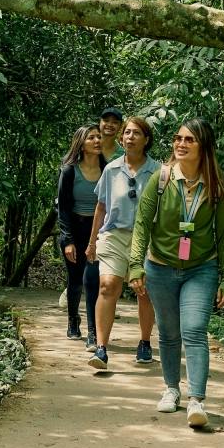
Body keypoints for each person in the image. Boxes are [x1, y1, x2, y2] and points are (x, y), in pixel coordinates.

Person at [130, 117, 224, 429]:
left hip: (200, 268)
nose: (180, 144)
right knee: (170, 332)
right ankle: (171, 389)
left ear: (203, 147)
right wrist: (135, 264)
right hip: (160, 266)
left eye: (189, 140)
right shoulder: (161, 178)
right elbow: (142, 223)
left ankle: (197, 400)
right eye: (178, 138)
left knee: (194, 330)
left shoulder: (215, 184)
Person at [86, 115, 158, 370]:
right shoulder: (112, 169)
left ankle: (145, 342)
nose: (129, 137)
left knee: (144, 290)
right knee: (107, 286)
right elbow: (101, 206)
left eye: (136, 133)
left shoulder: (159, 172)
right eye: (126, 133)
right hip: (114, 235)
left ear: (146, 139)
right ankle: (102, 348)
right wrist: (92, 241)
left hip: (147, 238)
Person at [55, 125, 106, 343]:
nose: (97, 140)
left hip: (99, 231)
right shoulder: (69, 171)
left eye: (99, 137)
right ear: (81, 144)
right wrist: (68, 240)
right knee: (75, 279)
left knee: (93, 280)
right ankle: (73, 320)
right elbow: (63, 207)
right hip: (74, 228)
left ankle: (94, 330)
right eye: (91, 137)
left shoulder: (109, 169)